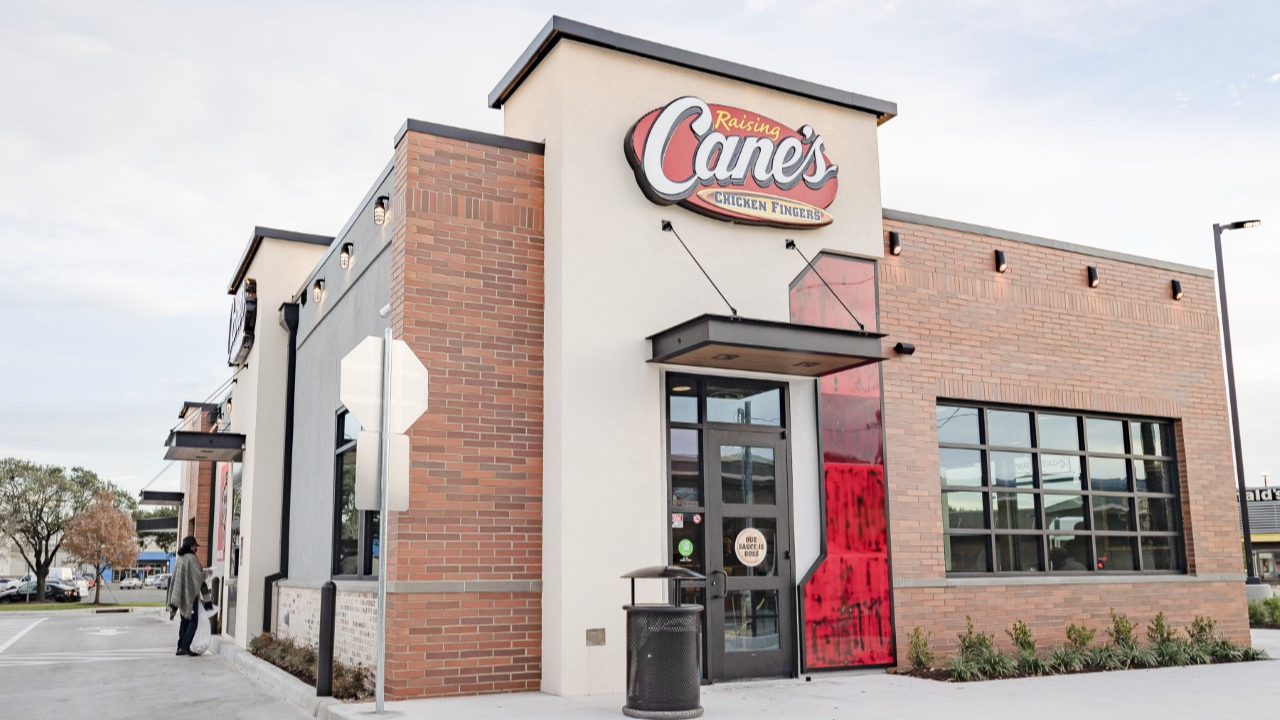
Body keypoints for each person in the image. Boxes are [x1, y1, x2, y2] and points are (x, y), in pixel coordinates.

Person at [168, 535, 207, 656]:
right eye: (195, 546)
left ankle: (180, 646)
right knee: (193, 621)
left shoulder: (180, 558)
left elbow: (176, 577)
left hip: (181, 594)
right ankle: (185, 646)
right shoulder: (192, 558)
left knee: (184, 620)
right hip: (190, 594)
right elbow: (199, 576)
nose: (196, 549)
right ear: (191, 546)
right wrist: (207, 572)